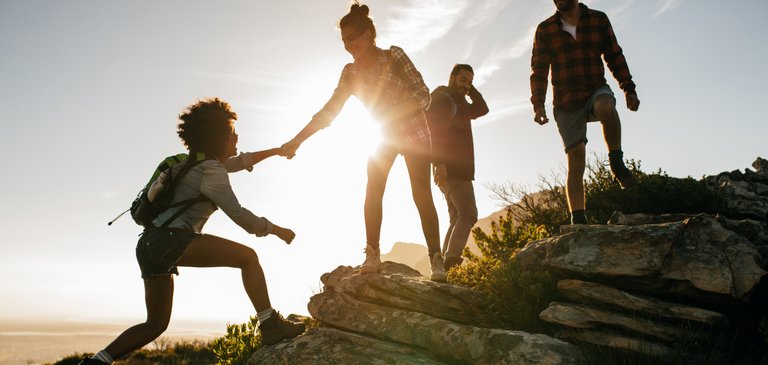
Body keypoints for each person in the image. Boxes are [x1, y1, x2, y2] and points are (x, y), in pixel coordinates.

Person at [79, 98, 305, 365]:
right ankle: (270, 325)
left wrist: (277, 150)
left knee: (155, 324)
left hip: (149, 244)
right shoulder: (212, 171)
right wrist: (277, 230)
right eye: (232, 133)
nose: (237, 137)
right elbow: (241, 216)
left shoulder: (192, 163)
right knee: (248, 258)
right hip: (172, 240)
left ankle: (97, 362)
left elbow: (241, 161)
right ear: (219, 139)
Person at [280, 2, 446, 282]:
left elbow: (423, 93)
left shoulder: (394, 56)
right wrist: (298, 140)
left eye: (352, 38)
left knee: (421, 194)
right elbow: (328, 111)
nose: (348, 45)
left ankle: (436, 259)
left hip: (413, 131)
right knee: (373, 190)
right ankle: (372, 254)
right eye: (344, 40)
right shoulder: (350, 73)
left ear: (369, 34)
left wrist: (398, 112)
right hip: (382, 135)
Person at [530, 0, 640, 224]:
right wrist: (538, 104)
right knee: (576, 156)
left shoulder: (598, 19)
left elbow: (614, 55)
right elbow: (539, 69)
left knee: (606, 107)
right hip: (566, 102)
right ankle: (578, 218)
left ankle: (616, 163)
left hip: (594, 89)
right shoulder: (545, 29)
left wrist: (628, 88)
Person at [427, 64, 488, 271]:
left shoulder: (461, 104)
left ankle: (444, 265)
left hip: (454, 169)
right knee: (469, 214)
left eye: (470, 81)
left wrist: (470, 90)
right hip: (452, 168)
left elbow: (483, 108)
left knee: (456, 218)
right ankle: (451, 261)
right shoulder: (444, 99)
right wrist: (440, 164)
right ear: (452, 77)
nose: (466, 85)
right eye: (463, 80)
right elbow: (436, 133)